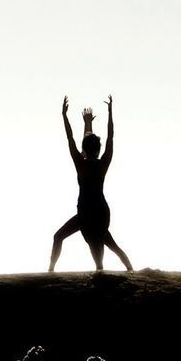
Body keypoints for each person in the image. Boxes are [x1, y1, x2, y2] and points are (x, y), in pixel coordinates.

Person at [49, 95, 133, 272]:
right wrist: (109, 114)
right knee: (107, 244)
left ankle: (50, 271)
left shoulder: (81, 164)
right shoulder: (103, 162)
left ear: (84, 150)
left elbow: (71, 139)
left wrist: (64, 115)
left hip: (87, 213)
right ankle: (129, 269)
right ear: (98, 149)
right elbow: (110, 137)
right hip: (101, 212)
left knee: (63, 238)